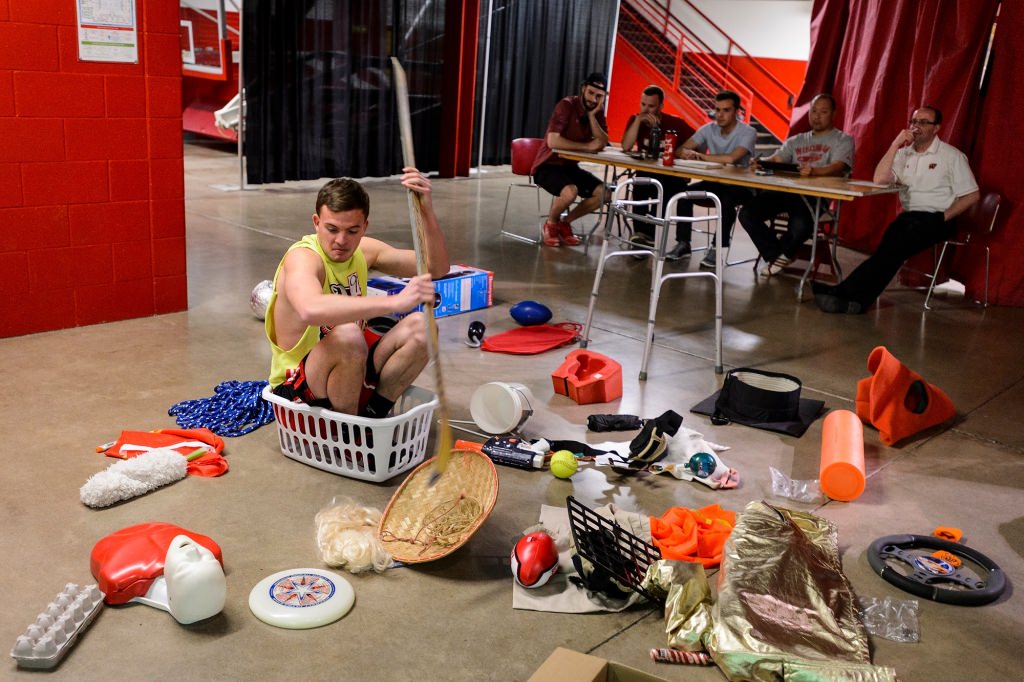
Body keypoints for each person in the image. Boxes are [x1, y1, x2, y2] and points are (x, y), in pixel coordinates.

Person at [264, 168, 450, 417]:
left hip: (351, 371)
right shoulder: (304, 258)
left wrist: (425, 210)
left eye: (352, 231)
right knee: (349, 334)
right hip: (298, 391)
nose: (341, 240)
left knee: (423, 326)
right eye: (332, 229)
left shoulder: (364, 250)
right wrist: (395, 302)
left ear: (364, 227)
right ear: (316, 223)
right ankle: (348, 435)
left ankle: (373, 417)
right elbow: (310, 309)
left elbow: (436, 267)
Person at [813, 105, 978, 313]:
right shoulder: (903, 154)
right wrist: (895, 144)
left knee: (891, 251)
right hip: (910, 218)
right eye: (914, 122)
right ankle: (856, 302)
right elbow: (880, 179)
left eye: (924, 123)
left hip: (939, 219)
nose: (917, 127)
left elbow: (972, 195)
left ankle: (844, 293)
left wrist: (942, 217)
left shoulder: (952, 156)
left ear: (936, 128)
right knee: (889, 253)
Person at [739, 94, 855, 277]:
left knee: (800, 224)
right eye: (813, 111)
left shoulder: (843, 140)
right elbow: (777, 158)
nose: (816, 116)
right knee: (747, 213)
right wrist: (762, 162)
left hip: (814, 197)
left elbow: (837, 167)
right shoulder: (797, 140)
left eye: (823, 112)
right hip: (785, 191)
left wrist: (814, 172)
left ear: (833, 114)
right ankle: (778, 254)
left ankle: (781, 255)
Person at [670, 90, 758, 267]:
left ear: (737, 112)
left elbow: (731, 158)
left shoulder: (749, 131)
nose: (720, 115)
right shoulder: (708, 129)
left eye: (725, 110)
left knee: (726, 202)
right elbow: (679, 150)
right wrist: (686, 153)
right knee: (684, 195)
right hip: (715, 183)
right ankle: (683, 243)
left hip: (741, 186)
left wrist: (700, 156)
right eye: (717, 110)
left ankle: (717, 249)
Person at [531, 72, 610, 247]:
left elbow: (603, 141)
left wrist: (591, 117)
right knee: (570, 191)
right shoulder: (566, 105)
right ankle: (551, 223)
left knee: (605, 193)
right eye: (590, 93)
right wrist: (587, 147)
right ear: (583, 89)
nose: (593, 99)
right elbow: (553, 140)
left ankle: (564, 223)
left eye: (599, 96)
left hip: (569, 167)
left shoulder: (597, 111)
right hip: (547, 165)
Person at [619, 85, 695, 246]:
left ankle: (649, 237)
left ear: (661, 106)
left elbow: (699, 142)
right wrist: (638, 121)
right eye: (643, 104)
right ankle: (640, 234)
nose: (646, 109)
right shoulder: (636, 120)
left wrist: (681, 152)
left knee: (662, 193)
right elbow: (626, 146)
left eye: (651, 106)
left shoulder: (675, 123)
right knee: (639, 186)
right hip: (646, 172)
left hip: (670, 176)